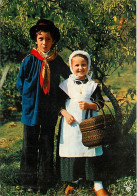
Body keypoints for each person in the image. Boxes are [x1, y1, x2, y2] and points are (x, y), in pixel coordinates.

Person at [16, 19, 70, 193]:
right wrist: (30, 95)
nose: (44, 43)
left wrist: (59, 98)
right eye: (41, 39)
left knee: (46, 144)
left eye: (48, 39)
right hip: (31, 109)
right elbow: (20, 82)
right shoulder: (29, 60)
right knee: (29, 145)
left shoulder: (57, 60)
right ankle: (28, 180)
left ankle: (44, 181)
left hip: (49, 110)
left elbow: (69, 79)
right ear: (36, 41)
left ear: (53, 41)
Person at [58, 50, 108, 196]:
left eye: (83, 65)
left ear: (88, 66)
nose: (80, 68)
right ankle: (73, 180)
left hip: (89, 124)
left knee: (91, 148)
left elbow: (100, 103)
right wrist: (65, 114)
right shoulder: (65, 85)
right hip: (71, 125)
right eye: (77, 65)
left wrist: (89, 106)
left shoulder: (93, 85)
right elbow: (58, 104)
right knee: (73, 149)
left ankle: (97, 184)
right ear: (71, 67)